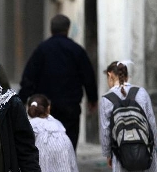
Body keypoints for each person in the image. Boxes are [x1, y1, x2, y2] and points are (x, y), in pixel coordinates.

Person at [18, 14, 98, 151]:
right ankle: (67, 168)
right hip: (70, 107)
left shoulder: (41, 50)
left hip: (45, 108)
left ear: (51, 29)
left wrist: (22, 99)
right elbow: (88, 76)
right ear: (67, 29)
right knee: (69, 144)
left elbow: (29, 77)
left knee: (45, 143)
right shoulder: (77, 50)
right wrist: (92, 99)